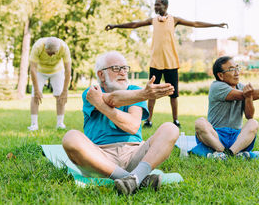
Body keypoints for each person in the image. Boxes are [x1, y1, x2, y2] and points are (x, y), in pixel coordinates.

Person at [62, 51, 179, 195]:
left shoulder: (135, 91)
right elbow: (113, 99)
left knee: (170, 129)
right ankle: (137, 179)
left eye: (125, 68)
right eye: (116, 68)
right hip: (100, 157)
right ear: (101, 75)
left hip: (134, 155)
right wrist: (144, 94)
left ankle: (134, 176)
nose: (123, 73)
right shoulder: (92, 92)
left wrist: (102, 105)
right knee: (70, 137)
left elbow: (132, 126)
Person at [105, 0, 228, 128]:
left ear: (165, 6)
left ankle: (175, 120)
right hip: (155, 62)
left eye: (158, 5)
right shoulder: (153, 20)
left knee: (173, 94)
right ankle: (149, 120)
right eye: (155, 5)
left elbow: (195, 23)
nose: (155, 7)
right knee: (151, 93)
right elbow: (135, 24)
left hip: (171, 63)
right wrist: (115, 26)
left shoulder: (174, 20)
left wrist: (216, 25)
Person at [191, 56, 259, 160]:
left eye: (237, 68)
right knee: (200, 123)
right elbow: (246, 95)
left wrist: (248, 98)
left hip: (236, 138)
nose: (236, 72)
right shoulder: (217, 86)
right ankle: (221, 151)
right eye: (231, 69)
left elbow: (249, 115)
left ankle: (231, 153)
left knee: (253, 123)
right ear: (220, 75)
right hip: (216, 137)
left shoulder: (241, 87)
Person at [28, 37, 71, 131]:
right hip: (40, 71)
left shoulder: (64, 47)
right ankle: (34, 124)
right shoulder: (38, 46)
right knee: (35, 96)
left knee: (60, 96)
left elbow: (68, 70)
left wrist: (65, 90)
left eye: (54, 53)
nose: (52, 56)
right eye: (49, 53)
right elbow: (33, 69)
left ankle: (60, 123)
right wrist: (36, 90)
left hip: (57, 71)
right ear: (45, 47)